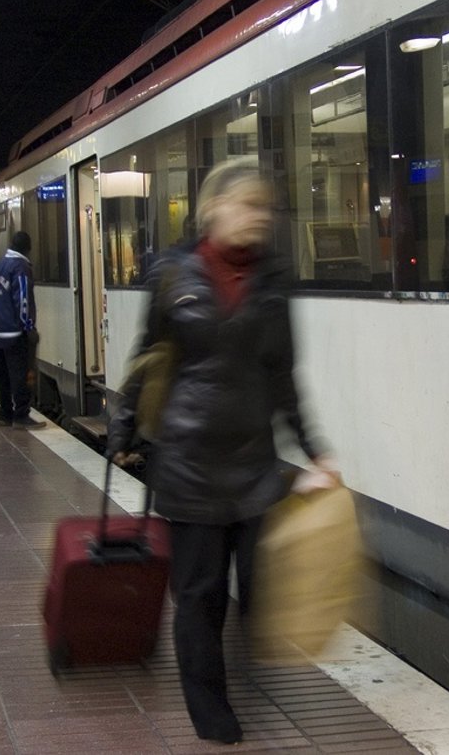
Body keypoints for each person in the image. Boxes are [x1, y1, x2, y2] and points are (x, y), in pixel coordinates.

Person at [107, 160, 336, 745]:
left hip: (254, 463)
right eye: (247, 205)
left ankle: (249, 673)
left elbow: (283, 375)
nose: (259, 217)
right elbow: (148, 358)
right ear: (213, 209)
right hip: (188, 463)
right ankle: (210, 711)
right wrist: (122, 431)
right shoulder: (173, 275)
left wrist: (316, 450)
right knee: (200, 597)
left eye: (265, 207)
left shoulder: (273, 282)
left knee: (262, 588)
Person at [0, 230, 46, 430]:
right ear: (27, 249)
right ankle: (21, 415)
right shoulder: (21, 267)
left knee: (3, 377)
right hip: (15, 334)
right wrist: (28, 326)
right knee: (20, 375)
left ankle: (5, 414)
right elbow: (22, 298)